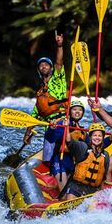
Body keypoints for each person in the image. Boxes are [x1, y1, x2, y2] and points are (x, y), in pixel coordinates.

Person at [23, 31, 68, 162]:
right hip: (50, 128)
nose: (44, 66)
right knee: (48, 158)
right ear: (39, 71)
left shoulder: (58, 79)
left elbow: (59, 62)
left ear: (51, 68)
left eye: (46, 64)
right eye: (41, 65)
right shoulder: (40, 93)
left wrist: (60, 46)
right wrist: (27, 133)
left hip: (64, 122)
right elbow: (34, 115)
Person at [45, 100, 87, 191]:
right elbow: (50, 138)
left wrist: (110, 139)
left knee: (72, 190)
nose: (77, 112)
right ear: (69, 111)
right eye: (74, 109)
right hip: (60, 161)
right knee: (64, 194)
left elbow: (92, 144)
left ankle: (56, 186)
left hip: (72, 163)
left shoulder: (81, 129)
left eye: (80, 110)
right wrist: (52, 129)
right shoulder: (62, 123)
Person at [63, 122, 110, 200]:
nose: (97, 138)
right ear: (90, 137)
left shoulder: (105, 155)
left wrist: (102, 193)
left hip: (93, 190)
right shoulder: (82, 147)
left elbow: (102, 177)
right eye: (95, 135)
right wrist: (67, 127)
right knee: (69, 208)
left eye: (100, 136)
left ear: (102, 138)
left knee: (92, 210)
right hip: (76, 187)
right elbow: (69, 141)